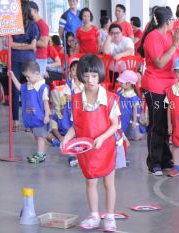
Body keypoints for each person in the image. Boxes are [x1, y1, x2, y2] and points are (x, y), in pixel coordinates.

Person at [61, 54, 120, 231]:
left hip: (106, 148)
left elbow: (115, 125)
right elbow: (76, 125)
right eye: (86, 76)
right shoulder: (77, 99)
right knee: (90, 182)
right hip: (87, 149)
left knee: (109, 183)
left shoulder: (109, 98)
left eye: (94, 76)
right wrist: (66, 139)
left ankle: (109, 216)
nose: (90, 80)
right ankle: (94, 214)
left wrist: (101, 138)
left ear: (100, 75)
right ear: (80, 77)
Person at [138, 6, 179, 175]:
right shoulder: (152, 37)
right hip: (155, 87)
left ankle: (166, 159)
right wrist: (175, 44)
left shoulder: (169, 35)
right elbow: (160, 63)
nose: (175, 22)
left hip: (170, 87)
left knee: (168, 125)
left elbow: (177, 61)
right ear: (167, 21)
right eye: (173, 19)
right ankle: (154, 162)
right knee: (157, 125)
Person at [10, 61, 50, 163]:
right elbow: (20, 87)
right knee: (36, 136)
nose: (27, 79)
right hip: (32, 118)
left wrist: (47, 115)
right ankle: (41, 153)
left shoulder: (42, 87)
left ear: (37, 74)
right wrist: (12, 76)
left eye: (28, 77)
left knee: (40, 137)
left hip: (40, 118)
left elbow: (46, 103)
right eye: (25, 77)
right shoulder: (29, 84)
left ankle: (41, 154)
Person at [11, 1, 39, 132]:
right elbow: (9, 44)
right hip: (15, 61)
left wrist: (17, 45)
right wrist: (25, 45)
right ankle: (15, 121)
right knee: (15, 91)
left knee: (30, 91)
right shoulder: (12, 25)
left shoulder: (33, 26)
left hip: (29, 62)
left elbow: (33, 46)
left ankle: (30, 121)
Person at [117, 70, 146, 140]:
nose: (120, 83)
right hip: (121, 115)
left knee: (133, 135)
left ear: (128, 84)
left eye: (121, 82)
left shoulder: (134, 97)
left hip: (129, 117)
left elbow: (135, 111)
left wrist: (134, 121)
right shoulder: (120, 92)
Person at [29, 1, 49, 79]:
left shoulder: (42, 25)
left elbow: (44, 43)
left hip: (40, 58)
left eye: (29, 11)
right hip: (33, 57)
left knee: (37, 83)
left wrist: (29, 42)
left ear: (35, 11)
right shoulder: (32, 23)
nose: (27, 14)